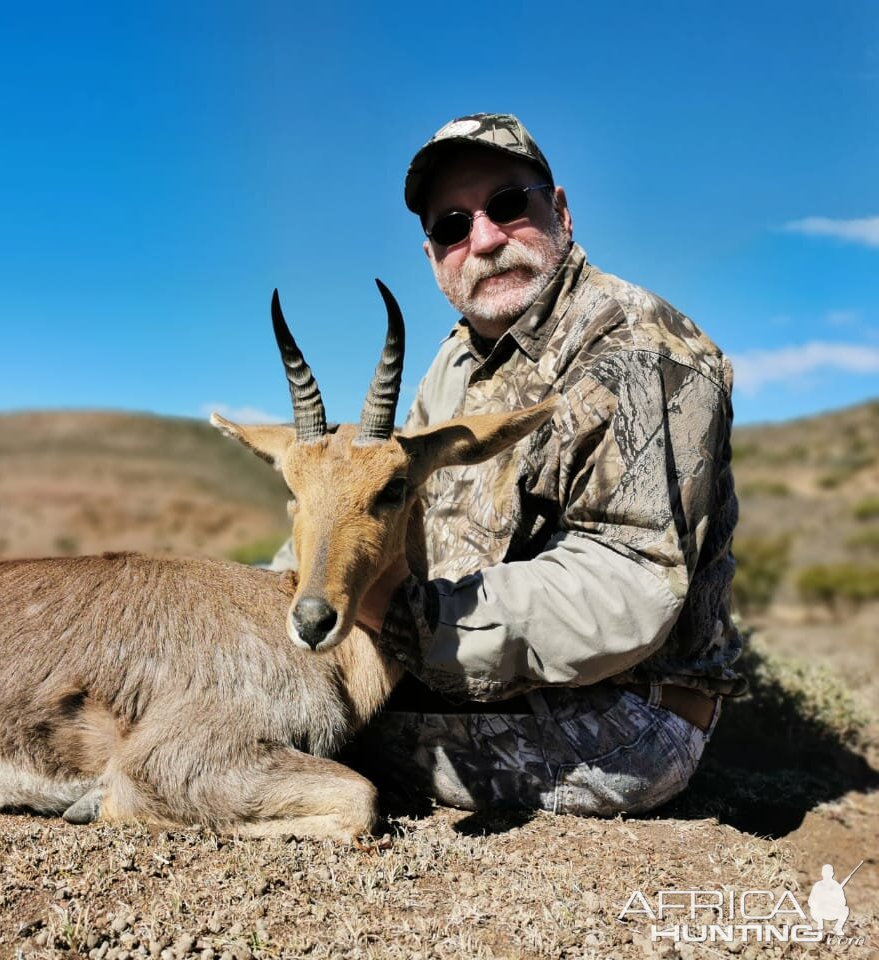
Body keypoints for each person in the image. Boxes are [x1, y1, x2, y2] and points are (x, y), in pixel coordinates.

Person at [281, 113, 745, 816]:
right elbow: (382, 501)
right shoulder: (457, 361)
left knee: (283, 742)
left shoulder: (640, 351)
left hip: (620, 718)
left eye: (507, 206)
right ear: (435, 256)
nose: (486, 239)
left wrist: (414, 623)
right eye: (453, 226)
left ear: (557, 210)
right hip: (463, 673)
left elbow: (630, 586)